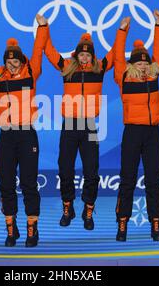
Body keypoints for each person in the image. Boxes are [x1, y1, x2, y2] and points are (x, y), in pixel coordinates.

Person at [0, 14, 48, 247]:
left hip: (27, 134)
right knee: (6, 182)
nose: (12, 64)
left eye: (15, 61)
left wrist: (42, 26)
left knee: (28, 182)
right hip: (6, 135)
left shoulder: (32, 72)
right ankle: (11, 229)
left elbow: (39, 49)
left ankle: (32, 229)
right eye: (8, 61)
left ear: (21, 60)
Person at [43, 27, 115, 230]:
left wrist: (122, 30)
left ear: (92, 56)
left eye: (88, 54)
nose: (84, 58)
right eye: (81, 54)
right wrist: (43, 27)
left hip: (90, 126)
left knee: (91, 171)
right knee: (65, 169)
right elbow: (48, 50)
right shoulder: (67, 68)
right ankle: (68, 207)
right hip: (70, 125)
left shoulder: (100, 69)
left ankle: (88, 208)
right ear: (76, 55)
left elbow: (116, 52)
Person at [113, 10, 159, 242]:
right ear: (132, 63)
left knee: (154, 180)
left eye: (146, 61)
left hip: (153, 132)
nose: (144, 64)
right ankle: (122, 224)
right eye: (139, 61)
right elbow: (116, 55)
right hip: (133, 132)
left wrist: (158, 25)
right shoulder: (123, 77)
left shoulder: (154, 76)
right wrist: (122, 31)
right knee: (127, 179)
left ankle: (155, 224)